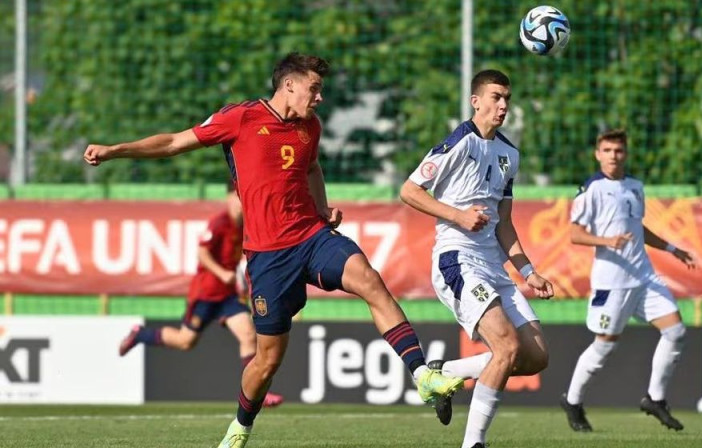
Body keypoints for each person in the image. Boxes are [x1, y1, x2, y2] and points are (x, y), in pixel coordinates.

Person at [84, 52, 463, 448]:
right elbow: (174, 143)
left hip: (311, 238)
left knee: (369, 280)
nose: (319, 98)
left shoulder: (310, 127)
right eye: (314, 89)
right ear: (289, 85)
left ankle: (422, 376)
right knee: (266, 362)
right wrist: (114, 150)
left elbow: (312, 167)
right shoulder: (241, 119)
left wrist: (320, 207)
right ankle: (239, 428)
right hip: (268, 257)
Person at [400, 69, 553, 448]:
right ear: (476, 101)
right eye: (496, 97)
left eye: (507, 99)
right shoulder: (459, 143)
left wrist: (528, 271)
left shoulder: (509, 154)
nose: (503, 106)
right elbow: (408, 190)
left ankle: (447, 372)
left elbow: (505, 224)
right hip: (457, 258)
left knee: (535, 357)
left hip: (493, 266)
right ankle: (473, 444)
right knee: (506, 348)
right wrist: (458, 215)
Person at [560, 129, 695, 432]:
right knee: (604, 346)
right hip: (612, 282)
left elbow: (638, 228)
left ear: (626, 154)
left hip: (644, 277)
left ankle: (655, 399)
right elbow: (575, 233)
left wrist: (674, 250)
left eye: (618, 151)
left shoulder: (635, 186)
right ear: (598, 154)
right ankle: (572, 400)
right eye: (607, 150)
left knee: (676, 331)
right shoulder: (591, 189)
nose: (613, 156)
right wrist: (607, 240)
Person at [117, 181, 282, 407]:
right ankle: (140, 335)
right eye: (237, 197)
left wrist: (240, 284)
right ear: (228, 198)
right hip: (205, 293)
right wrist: (222, 273)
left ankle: (257, 393)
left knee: (248, 335)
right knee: (186, 341)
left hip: (227, 297)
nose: (241, 203)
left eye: (244, 197)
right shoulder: (219, 223)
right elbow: (202, 253)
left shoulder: (246, 226)